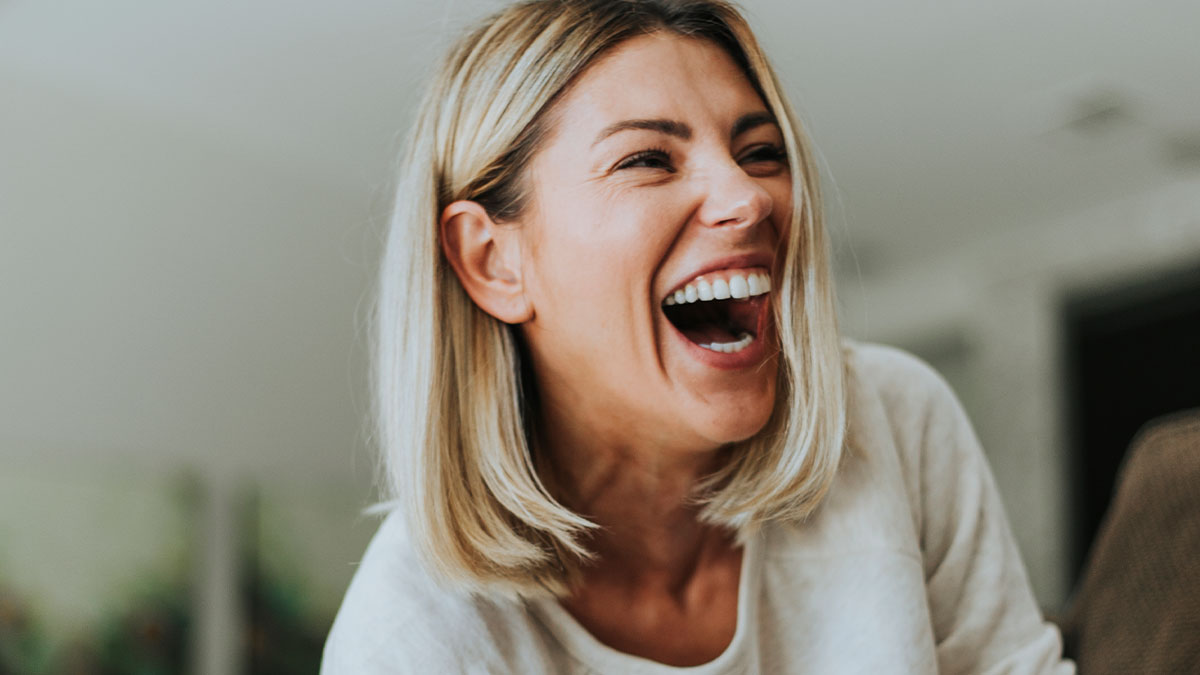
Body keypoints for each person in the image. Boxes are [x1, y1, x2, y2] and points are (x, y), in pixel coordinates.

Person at [322, 0, 1075, 672]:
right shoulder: (409, 639)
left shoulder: (895, 422)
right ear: (494, 263)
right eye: (647, 159)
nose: (748, 197)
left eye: (760, 153)